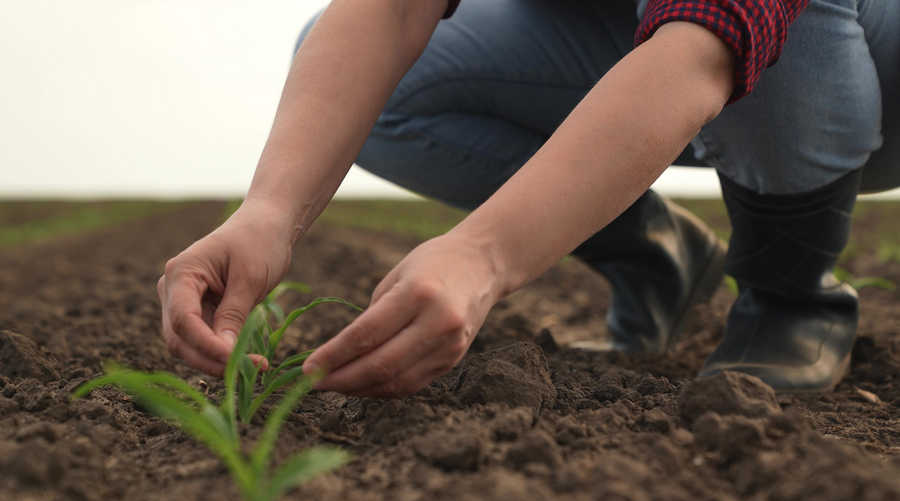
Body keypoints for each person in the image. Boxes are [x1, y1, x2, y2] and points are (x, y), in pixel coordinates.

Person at [157, 0, 899, 397]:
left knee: (788, 20)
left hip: (858, 57)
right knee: (381, 76)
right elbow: (388, 11)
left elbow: (705, 44)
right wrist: (269, 213)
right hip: (649, 29)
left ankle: (791, 298)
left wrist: (483, 256)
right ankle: (657, 257)